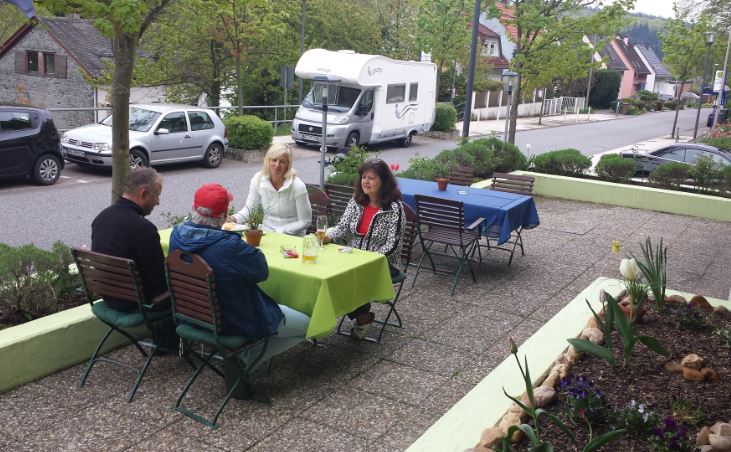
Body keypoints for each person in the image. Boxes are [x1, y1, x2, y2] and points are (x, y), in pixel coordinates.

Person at [169, 183, 310, 397]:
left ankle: (243, 356)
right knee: (309, 325)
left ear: (194, 208)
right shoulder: (229, 246)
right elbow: (261, 271)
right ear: (225, 215)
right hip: (235, 321)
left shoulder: (177, 234)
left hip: (193, 316)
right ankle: (245, 358)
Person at [91, 167, 177, 350]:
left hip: (109, 296)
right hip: (135, 304)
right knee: (188, 291)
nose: (158, 202)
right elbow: (160, 281)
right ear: (143, 193)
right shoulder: (143, 229)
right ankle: (174, 347)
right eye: (157, 195)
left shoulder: (101, 218)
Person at [324, 159, 405, 339]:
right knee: (328, 273)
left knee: (349, 279)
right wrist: (327, 237)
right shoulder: (356, 201)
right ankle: (362, 316)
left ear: (383, 181)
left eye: (372, 178)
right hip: (354, 257)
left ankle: (361, 317)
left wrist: (369, 260)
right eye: (364, 177)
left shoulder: (394, 208)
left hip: (383, 263)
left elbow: (392, 245)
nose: (366, 182)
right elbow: (342, 228)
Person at [228, 143, 312, 235]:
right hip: (266, 233)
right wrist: (233, 219)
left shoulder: (298, 186)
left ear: (288, 164)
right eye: (274, 160)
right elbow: (249, 210)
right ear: (268, 160)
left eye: (282, 162)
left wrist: (280, 232)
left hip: (293, 236)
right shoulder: (258, 179)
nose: (277, 165)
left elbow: (305, 221)